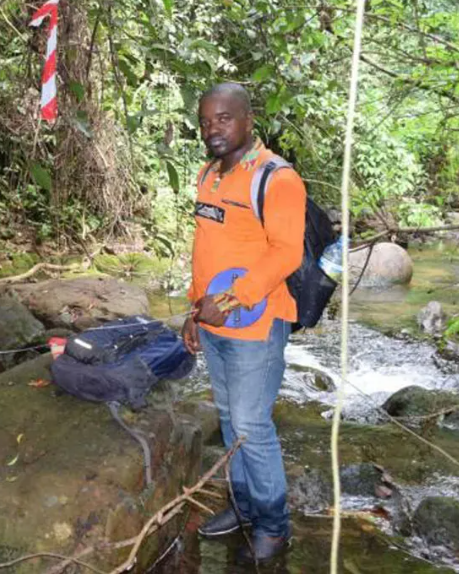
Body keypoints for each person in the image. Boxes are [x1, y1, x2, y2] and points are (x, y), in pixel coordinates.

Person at [181, 83, 305, 564]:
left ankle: (274, 525)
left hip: (257, 326)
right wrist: (194, 312)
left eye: (224, 118)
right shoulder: (208, 174)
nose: (212, 128)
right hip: (214, 325)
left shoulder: (277, 178)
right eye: (205, 120)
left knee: (251, 424)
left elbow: (287, 253)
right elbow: (206, 252)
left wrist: (232, 299)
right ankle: (243, 506)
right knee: (231, 418)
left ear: (249, 120)